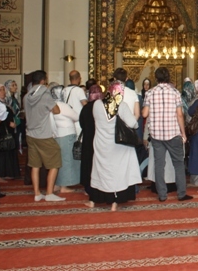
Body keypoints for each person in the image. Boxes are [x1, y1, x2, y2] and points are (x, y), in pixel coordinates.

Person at [87, 81, 142, 211]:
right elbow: (134, 123)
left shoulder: (96, 104)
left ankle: (94, 199)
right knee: (118, 170)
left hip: (101, 144)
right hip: (116, 145)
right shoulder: (120, 105)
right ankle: (115, 200)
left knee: (100, 171)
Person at [142, 67, 192, 202]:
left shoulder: (150, 93)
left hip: (156, 135)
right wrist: (183, 133)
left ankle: (162, 195)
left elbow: (144, 114)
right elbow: (180, 115)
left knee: (159, 165)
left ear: (156, 78)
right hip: (173, 134)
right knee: (178, 164)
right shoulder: (175, 92)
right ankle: (181, 193)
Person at [24, 70, 65, 202]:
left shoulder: (26, 96)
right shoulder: (45, 95)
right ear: (43, 80)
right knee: (55, 161)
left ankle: (37, 193)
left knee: (35, 165)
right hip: (44, 134)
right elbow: (57, 111)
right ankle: (49, 192)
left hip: (30, 134)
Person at [50, 85, 81, 194]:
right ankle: (64, 186)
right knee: (67, 161)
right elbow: (76, 117)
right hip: (67, 135)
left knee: (59, 161)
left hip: (57, 136)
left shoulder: (51, 105)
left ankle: (57, 184)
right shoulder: (63, 105)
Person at [79, 84, 103, 195]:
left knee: (88, 162)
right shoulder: (102, 107)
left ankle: (88, 186)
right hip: (100, 139)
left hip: (88, 139)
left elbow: (81, 123)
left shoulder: (86, 108)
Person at [0, 83, 20, 181]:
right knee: (2, 152)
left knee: (9, 151)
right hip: (2, 131)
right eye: (0, 90)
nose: (3, 92)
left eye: (3, 90)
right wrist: (8, 123)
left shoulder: (4, 102)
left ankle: (8, 172)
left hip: (9, 131)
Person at [4, 79, 24, 151]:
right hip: (11, 123)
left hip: (17, 122)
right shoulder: (7, 99)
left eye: (16, 85)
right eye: (13, 85)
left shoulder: (14, 98)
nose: (15, 87)